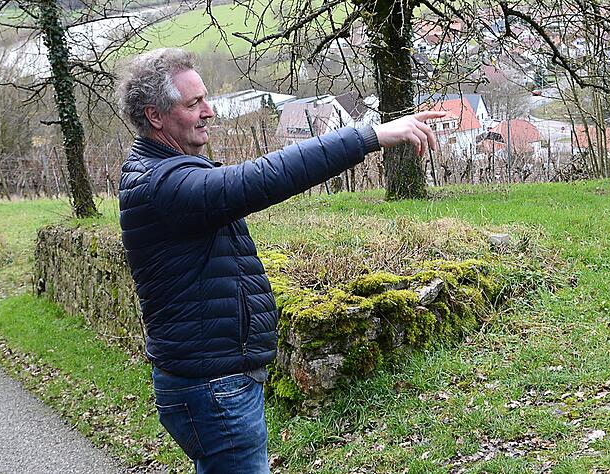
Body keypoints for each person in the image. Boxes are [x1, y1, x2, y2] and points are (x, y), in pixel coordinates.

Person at [116, 48, 444, 474]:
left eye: (205, 99)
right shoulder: (163, 183)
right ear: (154, 116)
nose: (209, 111)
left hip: (212, 379)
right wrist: (367, 137)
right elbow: (259, 179)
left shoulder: (166, 170)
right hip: (213, 385)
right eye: (193, 103)